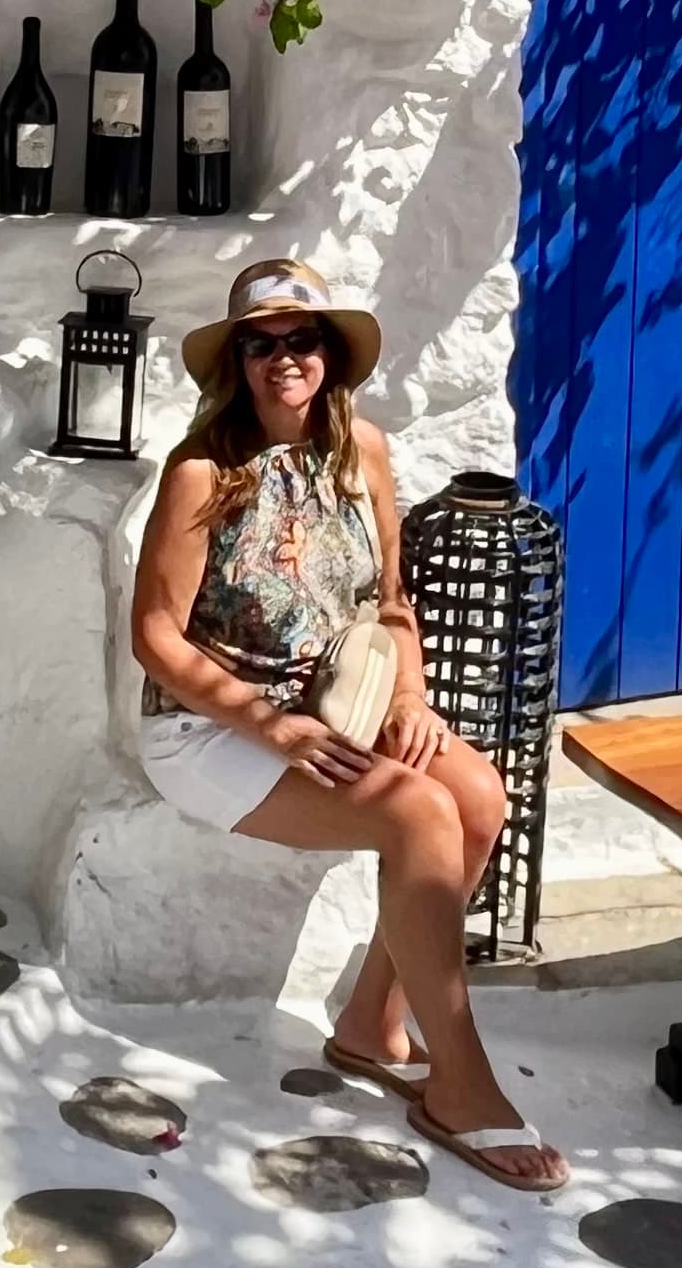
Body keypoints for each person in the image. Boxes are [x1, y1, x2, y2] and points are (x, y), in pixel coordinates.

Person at [131, 257, 568, 1193]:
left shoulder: (361, 450)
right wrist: (268, 726)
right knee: (416, 813)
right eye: (261, 344)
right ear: (236, 362)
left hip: (340, 703)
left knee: (478, 796)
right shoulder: (203, 471)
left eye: (300, 340)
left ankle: (373, 1025)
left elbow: (391, 600)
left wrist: (407, 697)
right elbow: (156, 638)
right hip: (213, 728)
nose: (282, 359)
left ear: (328, 353)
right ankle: (461, 1085)